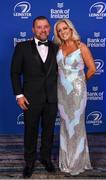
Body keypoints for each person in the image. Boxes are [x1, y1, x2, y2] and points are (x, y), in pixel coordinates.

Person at [11, 16, 58, 178]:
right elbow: (15, 73)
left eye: (45, 27)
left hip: (52, 98)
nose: (43, 30)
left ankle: (46, 158)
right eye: (39, 27)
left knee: (49, 131)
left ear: (50, 29)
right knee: (30, 131)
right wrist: (19, 95)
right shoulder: (22, 47)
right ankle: (29, 162)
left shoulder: (56, 47)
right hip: (30, 98)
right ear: (33, 29)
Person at [54, 19, 96, 175]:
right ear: (57, 33)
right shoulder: (58, 47)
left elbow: (92, 68)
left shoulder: (81, 46)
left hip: (77, 93)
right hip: (62, 92)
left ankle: (77, 162)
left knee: (76, 125)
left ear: (71, 29)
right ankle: (66, 161)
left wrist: (79, 82)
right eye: (59, 30)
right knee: (65, 125)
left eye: (65, 28)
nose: (63, 31)